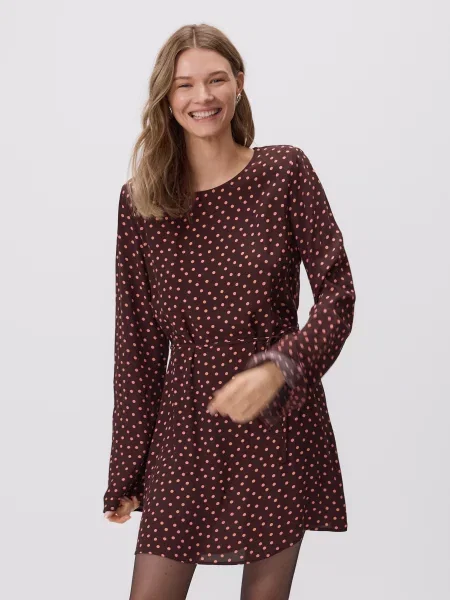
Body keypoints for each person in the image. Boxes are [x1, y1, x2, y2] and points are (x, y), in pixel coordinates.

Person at [103, 23, 356, 600]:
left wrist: (281, 367)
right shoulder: (140, 201)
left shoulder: (285, 172)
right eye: (185, 84)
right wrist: (128, 470)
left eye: (216, 79)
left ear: (239, 83)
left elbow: (338, 295)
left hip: (275, 422)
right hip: (186, 425)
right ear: (167, 97)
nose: (203, 96)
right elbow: (137, 348)